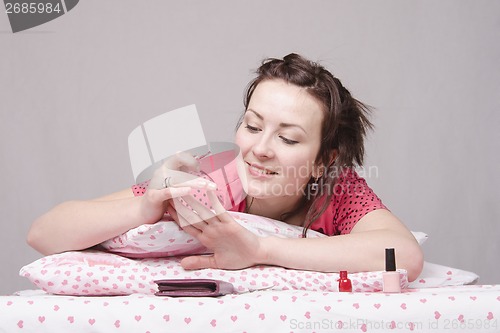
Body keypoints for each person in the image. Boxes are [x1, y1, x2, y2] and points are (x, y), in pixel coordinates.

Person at [28, 53, 423, 281]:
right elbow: (43, 234)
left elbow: (403, 253)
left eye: (287, 138)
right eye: (252, 127)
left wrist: (259, 248)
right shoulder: (206, 180)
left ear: (324, 160)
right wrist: (143, 206)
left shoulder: (339, 189)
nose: (260, 149)